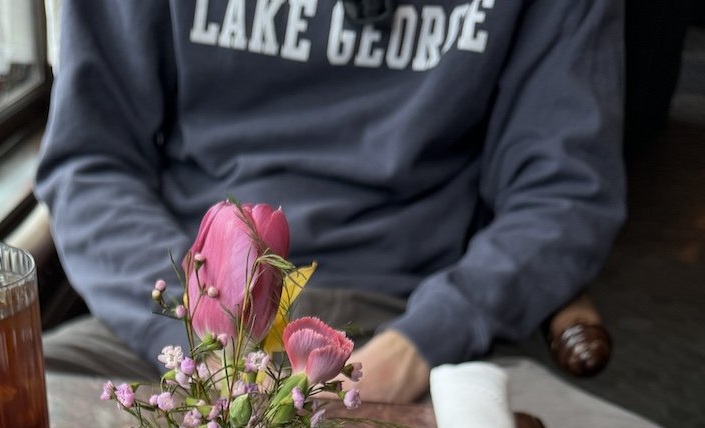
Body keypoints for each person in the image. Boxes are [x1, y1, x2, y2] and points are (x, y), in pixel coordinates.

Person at [33, 0, 626, 403]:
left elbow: (563, 191)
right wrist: (201, 336)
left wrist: (420, 345)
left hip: (406, 318)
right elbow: (91, 161)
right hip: (185, 316)